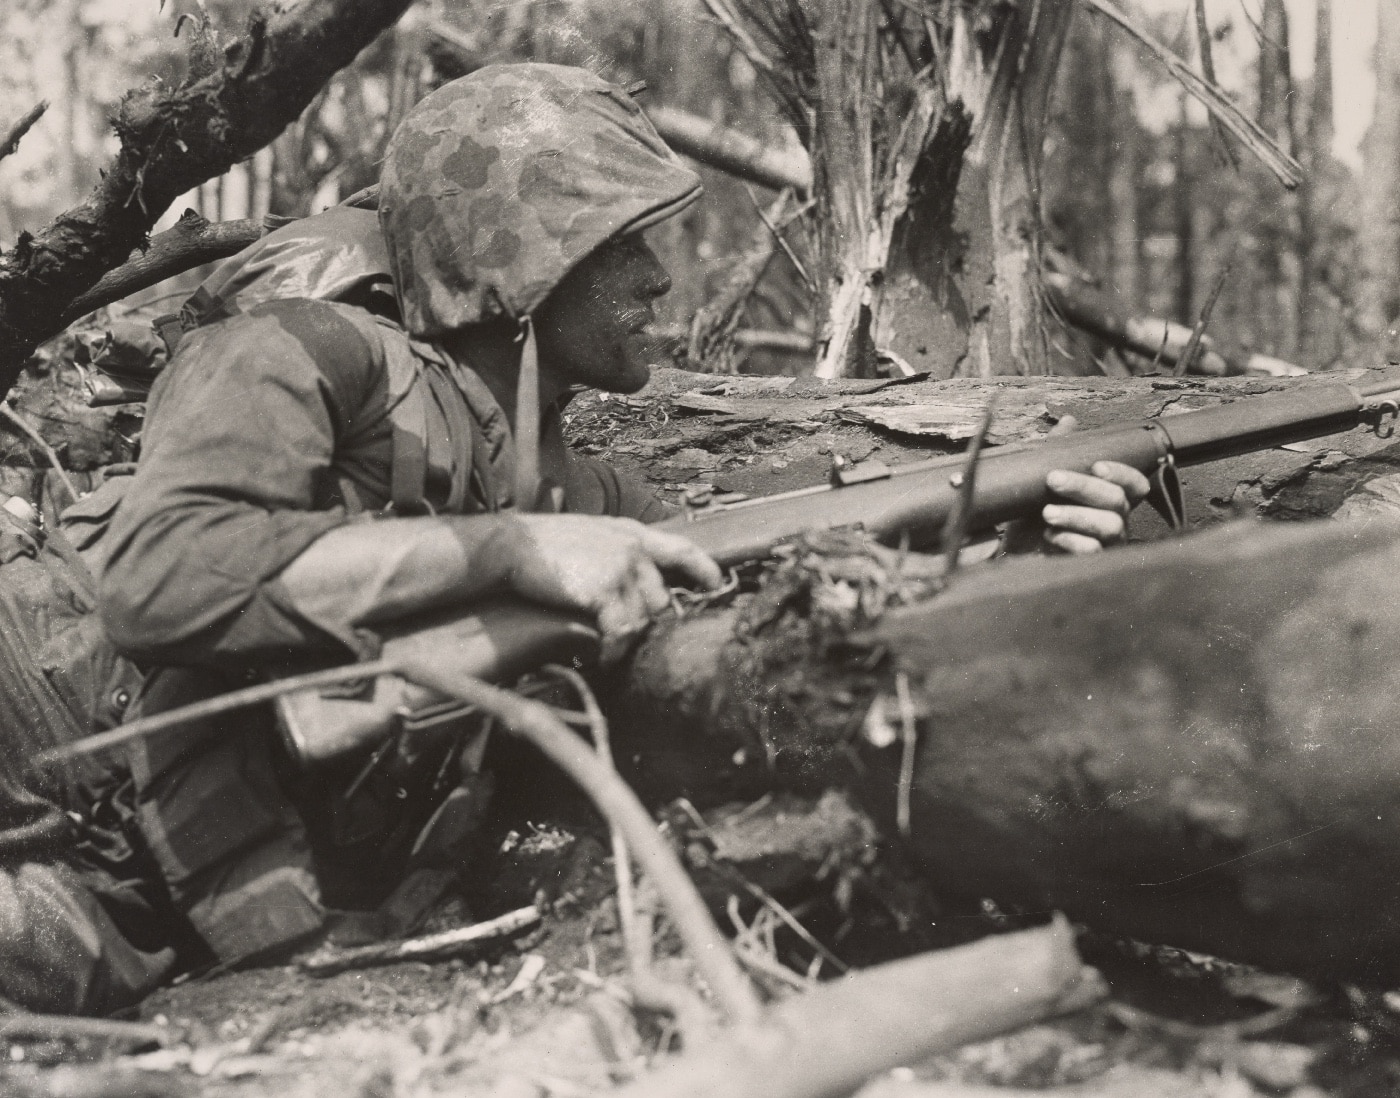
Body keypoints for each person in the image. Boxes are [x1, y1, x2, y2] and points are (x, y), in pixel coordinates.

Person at [0, 62, 1148, 1014]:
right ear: (520, 262)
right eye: (620, 244)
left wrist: (1028, 566)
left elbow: (780, 639)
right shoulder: (301, 353)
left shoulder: (582, 490)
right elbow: (156, 578)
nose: (659, 279)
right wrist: (505, 552)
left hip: (152, 901)